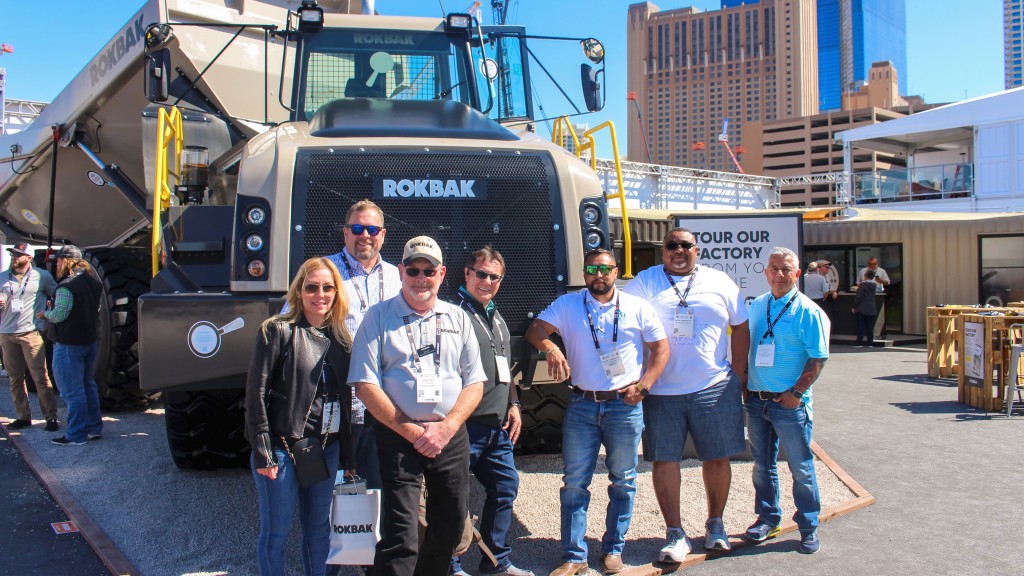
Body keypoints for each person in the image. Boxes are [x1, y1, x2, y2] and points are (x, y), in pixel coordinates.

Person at [348, 236, 486, 576]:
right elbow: (365, 385)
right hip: (398, 436)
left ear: (441, 274)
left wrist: (448, 427)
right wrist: (412, 432)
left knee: (451, 522)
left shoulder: (457, 317)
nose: (420, 278)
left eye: (428, 271)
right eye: (413, 270)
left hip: (449, 437)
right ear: (401, 272)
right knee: (400, 531)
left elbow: (475, 382)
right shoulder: (378, 317)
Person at [525, 249, 669, 576]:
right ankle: (574, 556)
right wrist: (551, 348)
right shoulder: (568, 304)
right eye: (592, 269)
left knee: (623, 481)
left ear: (616, 271)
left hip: (625, 406)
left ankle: (613, 549)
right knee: (575, 482)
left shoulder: (635, 306)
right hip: (582, 405)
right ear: (585, 272)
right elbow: (536, 330)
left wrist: (644, 386)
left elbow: (661, 349)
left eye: (605, 269)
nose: (598, 275)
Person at [622, 229, 749, 561]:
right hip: (661, 391)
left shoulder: (719, 281)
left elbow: (742, 326)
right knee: (665, 461)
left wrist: (737, 374)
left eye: (685, 245)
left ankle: (716, 525)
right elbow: (619, 316)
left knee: (717, 457)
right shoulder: (645, 282)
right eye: (671, 246)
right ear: (662, 251)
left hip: (714, 387)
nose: (678, 251)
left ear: (697, 249)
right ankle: (675, 535)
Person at [244, 257, 355, 576]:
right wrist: (263, 451)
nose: (320, 294)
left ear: (337, 293)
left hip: (325, 449)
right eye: (312, 287)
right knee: (276, 535)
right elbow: (256, 394)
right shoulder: (277, 331)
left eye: (327, 288)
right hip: (282, 449)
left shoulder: (341, 340)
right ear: (299, 290)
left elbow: (344, 402)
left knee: (319, 530)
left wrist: (348, 459)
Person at [449, 247, 532, 576]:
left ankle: (496, 560)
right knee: (454, 495)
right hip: (464, 427)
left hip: (497, 427)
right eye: (480, 273)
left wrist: (514, 403)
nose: (486, 281)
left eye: (493, 276)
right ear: (466, 274)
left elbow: (504, 368)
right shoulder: (453, 315)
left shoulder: (496, 317)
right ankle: (450, 563)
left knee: (506, 486)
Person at [744, 247, 830, 555]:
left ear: (797, 274)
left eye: (786, 270)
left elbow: (818, 358)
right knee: (762, 466)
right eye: (774, 269)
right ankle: (768, 519)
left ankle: (808, 526)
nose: (780, 274)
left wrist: (795, 394)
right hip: (756, 402)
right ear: (766, 272)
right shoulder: (758, 306)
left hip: (789, 405)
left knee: (801, 468)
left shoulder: (808, 311)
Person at [328, 199, 401, 491]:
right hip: (340, 401)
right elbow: (291, 322)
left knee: (379, 487)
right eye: (357, 228)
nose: (365, 235)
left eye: (372, 229)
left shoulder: (399, 276)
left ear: (383, 234)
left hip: (385, 404)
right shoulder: (325, 273)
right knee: (334, 489)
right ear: (345, 232)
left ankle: (377, 537)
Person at [35, 246, 103, 446]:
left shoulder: (66, 286)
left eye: (57, 261)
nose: (56, 264)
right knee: (88, 386)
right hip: (89, 341)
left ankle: (76, 434)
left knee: (72, 392)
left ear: (65, 261)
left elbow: (60, 315)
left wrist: (44, 314)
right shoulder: (93, 282)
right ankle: (94, 427)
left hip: (67, 344)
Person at [0, 242, 59, 432]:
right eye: (13, 254)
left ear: (29, 258)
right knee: (15, 378)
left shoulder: (41, 276)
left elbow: (57, 295)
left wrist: (48, 317)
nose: (14, 257)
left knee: (40, 377)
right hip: (6, 333)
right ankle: (23, 416)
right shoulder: (2, 277)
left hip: (31, 332)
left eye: (18, 255)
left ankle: (50, 417)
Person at [852, 269, 878, 348]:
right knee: (870, 326)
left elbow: (858, 297)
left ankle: (859, 343)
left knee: (861, 326)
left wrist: (854, 306)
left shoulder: (863, 285)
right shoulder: (874, 285)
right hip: (871, 308)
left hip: (862, 308)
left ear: (866, 276)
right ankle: (870, 343)